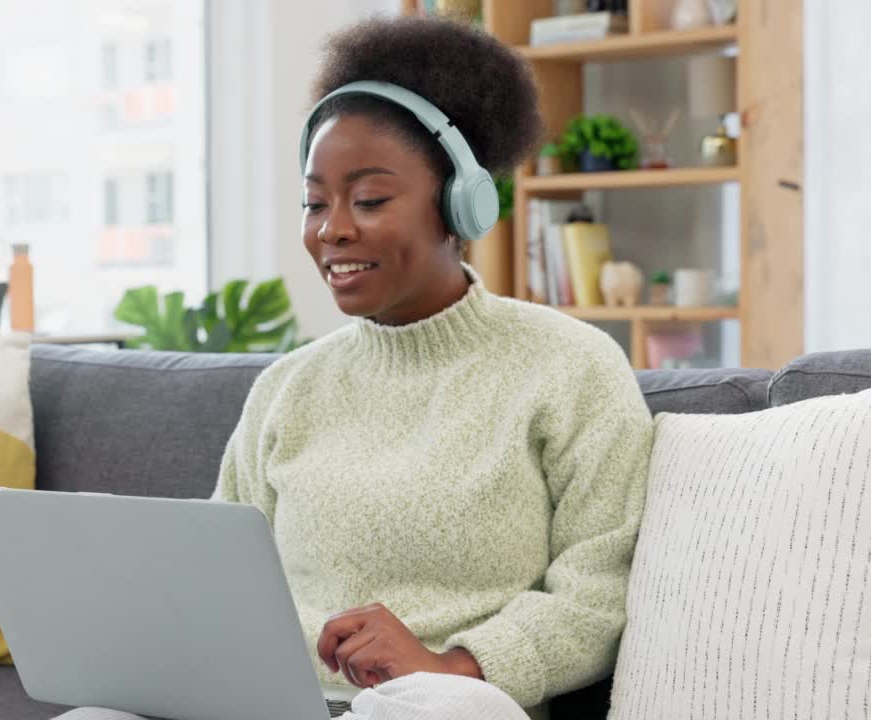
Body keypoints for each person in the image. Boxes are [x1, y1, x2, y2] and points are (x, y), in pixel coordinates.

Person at [211, 14, 654, 720]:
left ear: (459, 206)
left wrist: (452, 666)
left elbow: (598, 594)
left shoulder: (571, 369)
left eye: (370, 199)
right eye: (314, 203)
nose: (332, 230)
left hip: (446, 707)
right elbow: (218, 579)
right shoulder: (286, 389)